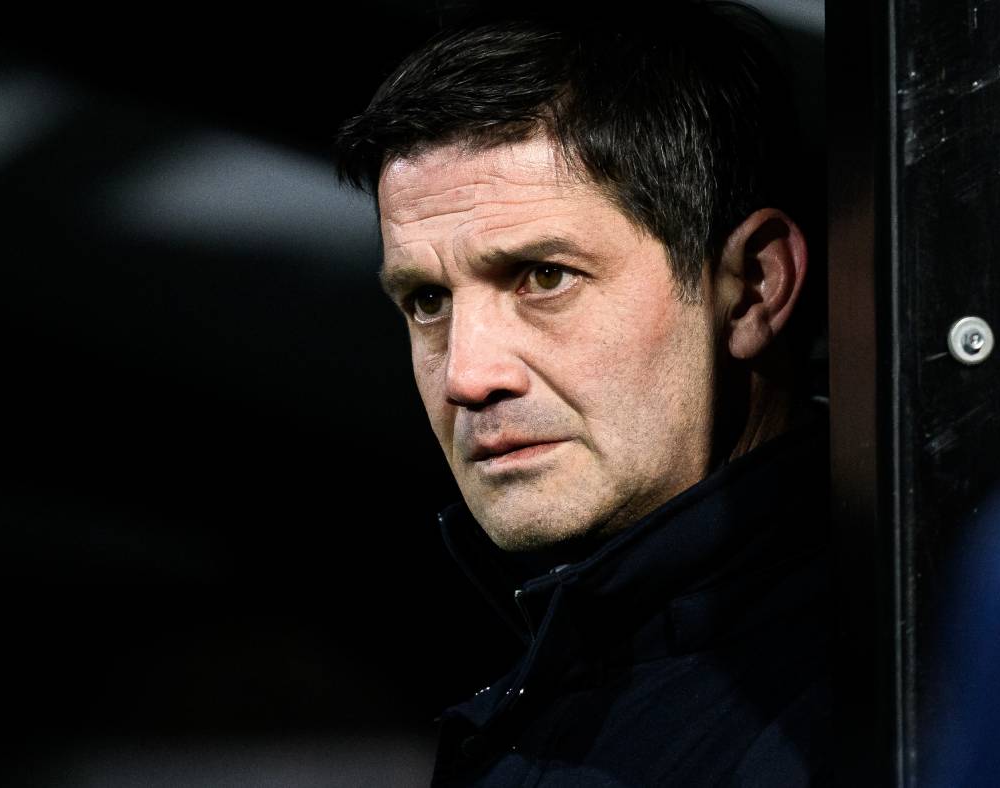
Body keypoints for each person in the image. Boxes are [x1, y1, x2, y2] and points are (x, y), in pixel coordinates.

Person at [335, 3, 830, 784]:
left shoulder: (872, 714)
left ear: (753, 289)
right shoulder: (579, 671)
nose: (467, 376)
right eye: (427, 300)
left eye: (544, 277)